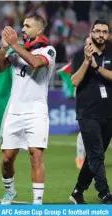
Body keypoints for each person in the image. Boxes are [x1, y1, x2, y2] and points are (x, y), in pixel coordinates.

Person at [0, 14, 56, 204]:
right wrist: (4, 48)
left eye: (27, 26)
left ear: (39, 30)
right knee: (7, 159)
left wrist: (14, 45)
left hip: (36, 111)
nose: (22, 29)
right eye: (22, 25)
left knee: (36, 155)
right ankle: (10, 191)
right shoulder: (17, 49)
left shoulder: (49, 50)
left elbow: (36, 63)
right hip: (14, 110)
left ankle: (37, 203)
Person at [69, 19, 112, 204]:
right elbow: (75, 81)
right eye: (98, 31)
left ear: (108, 34)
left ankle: (77, 191)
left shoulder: (111, 54)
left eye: (104, 31)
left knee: (96, 154)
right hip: (87, 112)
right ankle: (104, 193)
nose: (101, 34)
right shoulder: (80, 55)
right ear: (91, 33)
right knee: (96, 153)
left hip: (109, 112)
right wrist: (87, 62)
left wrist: (97, 67)